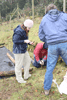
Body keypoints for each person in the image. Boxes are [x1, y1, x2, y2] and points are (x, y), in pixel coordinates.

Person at [38, 4, 67, 95]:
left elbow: (41, 35)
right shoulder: (64, 15)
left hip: (52, 46)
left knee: (49, 68)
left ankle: (46, 90)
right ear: (56, 9)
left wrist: (48, 41)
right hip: (64, 43)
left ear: (47, 10)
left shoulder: (44, 19)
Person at [13, 19, 34, 83]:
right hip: (18, 50)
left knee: (28, 61)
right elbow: (15, 41)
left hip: (23, 49)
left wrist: (29, 42)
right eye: (29, 28)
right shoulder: (19, 31)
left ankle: (26, 75)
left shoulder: (25, 30)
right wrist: (25, 41)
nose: (29, 29)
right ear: (25, 26)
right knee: (19, 65)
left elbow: (24, 39)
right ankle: (19, 79)